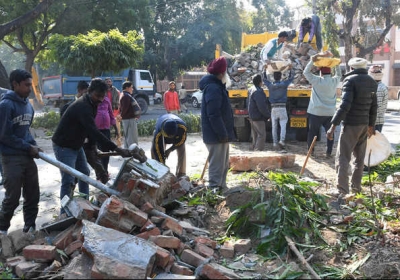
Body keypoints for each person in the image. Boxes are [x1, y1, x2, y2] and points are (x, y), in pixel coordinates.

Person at [52, 78, 131, 214]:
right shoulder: (83, 106)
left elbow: (91, 131)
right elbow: (93, 131)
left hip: (77, 144)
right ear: (89, 92)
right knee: (69, 179)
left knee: (84, 173)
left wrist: (94, 149)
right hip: (64, 145)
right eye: (98, 96)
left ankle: (85, 206)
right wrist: (116, 148)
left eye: (103, 96)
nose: (101, 99)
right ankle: (64, 212)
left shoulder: (92, 103)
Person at [327, 57, 377, 197]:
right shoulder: (372, 82)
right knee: (359, 159)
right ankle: (356, 188)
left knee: (343, 157)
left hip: (351, 125)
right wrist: (371, 125)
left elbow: (344, 106)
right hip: (364, 125)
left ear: (352, 68)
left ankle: (342, 190)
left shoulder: (350, 81)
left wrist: (333, 126)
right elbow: (374, 106)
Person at [0, 69, 41, 234]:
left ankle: (29, 227)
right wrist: (27, 147)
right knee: (13, 197)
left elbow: (26, 132)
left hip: (26, 156)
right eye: (26, 85)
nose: (29, 88)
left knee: (33, 194)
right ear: (15, 84)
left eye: (30, 85)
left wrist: (33, 144)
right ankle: (2, 229)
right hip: (10, 158)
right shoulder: (5, 106)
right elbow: (4, 136)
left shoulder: (28, 106)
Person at [60, 81, 109, 184]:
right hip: (70, 144)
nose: (100, 99)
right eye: (85, 92)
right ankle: (69, 197)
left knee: (86, 172)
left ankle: (84, 197)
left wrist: (93, 146)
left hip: (85, 144)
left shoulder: (92, 105)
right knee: (71, 178)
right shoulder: (69, 106)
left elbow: (90, 129)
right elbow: (69, 130)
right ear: (81, 91)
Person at [199, 57, 235, 191]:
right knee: (217, 165)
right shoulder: (213, 88)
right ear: (221, 73)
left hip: (220, 134)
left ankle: (222, 188)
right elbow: (213, 114)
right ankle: (214, 190)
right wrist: (222, 133)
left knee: (223, 164)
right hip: (216, 135)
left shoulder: (217, 86)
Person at [303, 53, 342, 157]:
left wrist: (312, 61)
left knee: (312, 133)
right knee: (330, 133)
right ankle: (329, 152)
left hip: (315, 112)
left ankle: (311, 152)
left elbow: (306, 72)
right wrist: (337, 64)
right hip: (329, 113)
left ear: (320, 73)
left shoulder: (316, 80)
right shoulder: (334, 81)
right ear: (330, 72)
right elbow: (339, 75)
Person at [263, 66, 294, 151]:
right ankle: (282, 141)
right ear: (280, 77)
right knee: (283, 124)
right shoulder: (284, 84)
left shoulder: (270, 85)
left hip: (273, 108)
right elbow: (291, 78)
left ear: (273, 77)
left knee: (274, 126)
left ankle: (274, 143)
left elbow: (264, 79)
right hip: (282, 107)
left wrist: (264, 69)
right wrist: (290, 69)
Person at [248, 74, 270, 151]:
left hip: (252, 116)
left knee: (255, 136)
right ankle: (258, 152)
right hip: (258, 117)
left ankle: (253, 151)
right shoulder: (258, 92)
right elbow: (262, 106)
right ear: (260, 82)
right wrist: (267, 115)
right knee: (261, 135)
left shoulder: (251, 89)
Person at [95, 95, 117, 173]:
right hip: (96, 131)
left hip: (106, 130)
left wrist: (116, 128)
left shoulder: (107, 100)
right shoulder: (93, 100)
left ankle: (105, 171)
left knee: (106, 151)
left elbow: (111, 115)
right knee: (98, 151)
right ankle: (99, 173)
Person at [120, 81, 141, 147]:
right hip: (129, 119)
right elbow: (124, 109)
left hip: (128, 119)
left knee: (128, 138)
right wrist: (121, 116)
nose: (132, 89)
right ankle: (132, 153)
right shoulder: (126, 96)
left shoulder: (124, 95)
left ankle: (128, 153)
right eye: (131, 87)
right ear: (127, 88)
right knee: (132, 138)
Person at [368, 65, 388, 133]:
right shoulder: (379, 86)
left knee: (374, 142)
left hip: (375, 122)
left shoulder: (378, 88)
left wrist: (371, 123)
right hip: (376, 121)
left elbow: (376, 108)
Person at [105, 77, 122, 146]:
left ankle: (119, 146)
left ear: (111, 83)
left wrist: (120, 113)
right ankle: (108, 145)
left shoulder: (116, 91)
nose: (108, 83)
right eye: (107, 82)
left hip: (115, 113)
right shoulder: (102, 92)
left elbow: (120, 103)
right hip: (106, 114)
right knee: (106, 131)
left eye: (110, 81)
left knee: (118, 130)